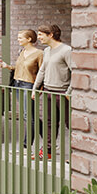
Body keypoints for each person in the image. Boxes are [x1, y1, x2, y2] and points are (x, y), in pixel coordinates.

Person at [0, 29, 43, 148]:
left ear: (29, 39)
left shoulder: (39, 54)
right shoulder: (21, 51)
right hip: (18, 84)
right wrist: (7, 66)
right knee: (29, 115)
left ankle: (26, 144)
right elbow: (20, 68)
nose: (18, 40)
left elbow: (42, 72)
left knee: (27, 115)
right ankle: (48, 138)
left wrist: (38, 89)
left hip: (29, 85)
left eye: (20, 38)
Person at [33, 24, 73, 157]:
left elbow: (75, 71)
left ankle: (76, 153)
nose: (38, 38)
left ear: (51, 35)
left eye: (40, 34)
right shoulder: (47, 51)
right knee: (49, 123)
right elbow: (42, 71)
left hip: (62, 94)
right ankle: (48, 151)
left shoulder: (66, 50)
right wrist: (36, 89)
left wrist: (69, 92)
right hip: (48, 92)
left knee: (70, 124)